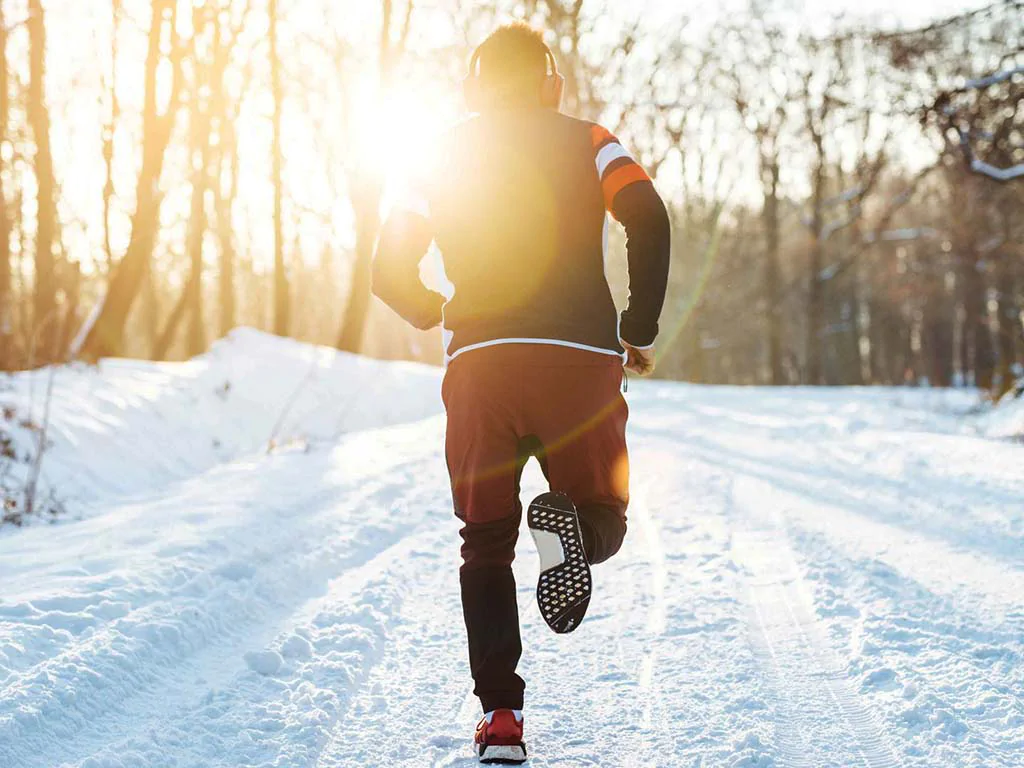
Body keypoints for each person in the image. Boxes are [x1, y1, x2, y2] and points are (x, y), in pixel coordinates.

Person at [372, 22, 670, 765]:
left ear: (474, 89)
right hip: (578, 362)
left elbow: (387, 265)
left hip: (482, 364)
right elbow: (649, 215)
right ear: (550, 86)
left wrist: (429, 307)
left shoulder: (438, 152)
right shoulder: (590, 138)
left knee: (485, 542)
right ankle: (575, 524)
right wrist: (639, 322)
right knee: (607, 515)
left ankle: (501, 719)